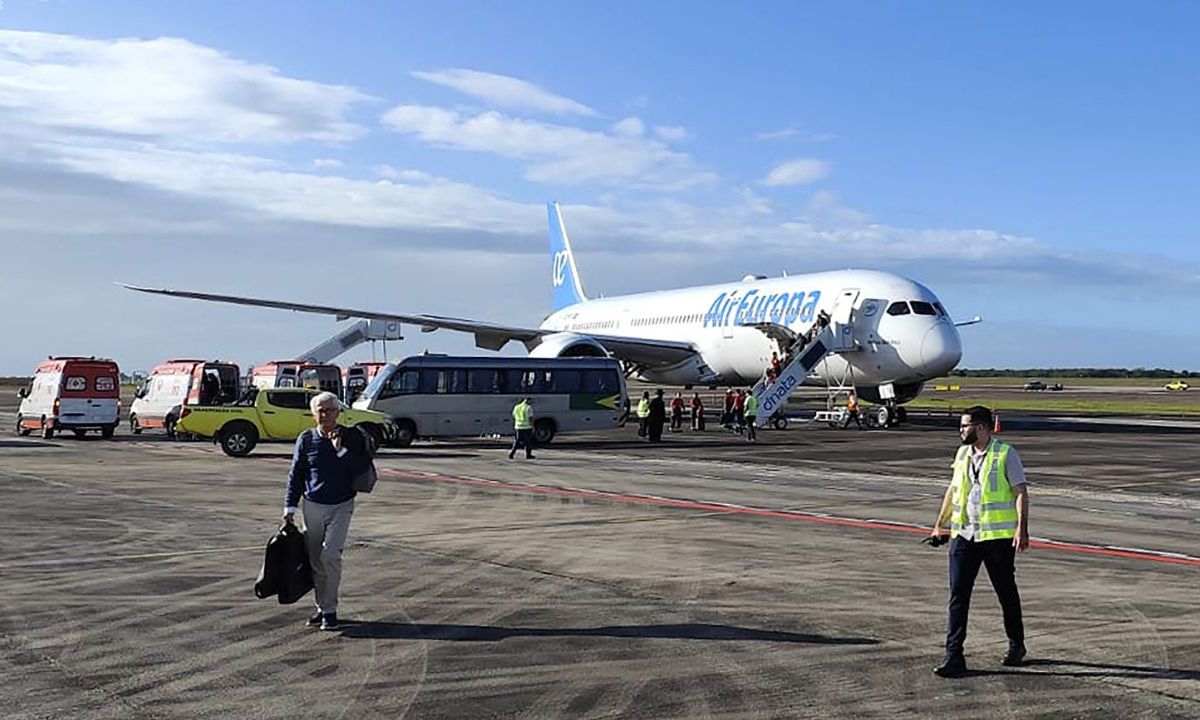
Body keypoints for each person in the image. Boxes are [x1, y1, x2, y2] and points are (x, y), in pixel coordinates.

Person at [928, 406, 1030, 678]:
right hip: (964, 536)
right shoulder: (962, 454)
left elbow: (1020, 492)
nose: (961, 431)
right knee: (958, 596)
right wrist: (940, 523)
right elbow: (953, 490)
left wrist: (1022, 529)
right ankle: (954, 657)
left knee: (1006, 592)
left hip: (996, 539)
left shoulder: (1006, 454)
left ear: (981, 428)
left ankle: (1016, 644)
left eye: (965, 426)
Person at [283, 391, 371, 631]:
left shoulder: (350, 436)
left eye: (330, 410)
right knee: (316, 562)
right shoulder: (306, 439)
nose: (325, 415)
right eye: (320, 411)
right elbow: (296, 474)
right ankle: (322, 607)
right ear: (313, 414)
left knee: (329, 555)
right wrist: (289, 506)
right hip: (312, 506)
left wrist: (340, 450)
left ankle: (330, 611)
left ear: (338, 412)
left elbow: (361, 467)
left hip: (342, 505)